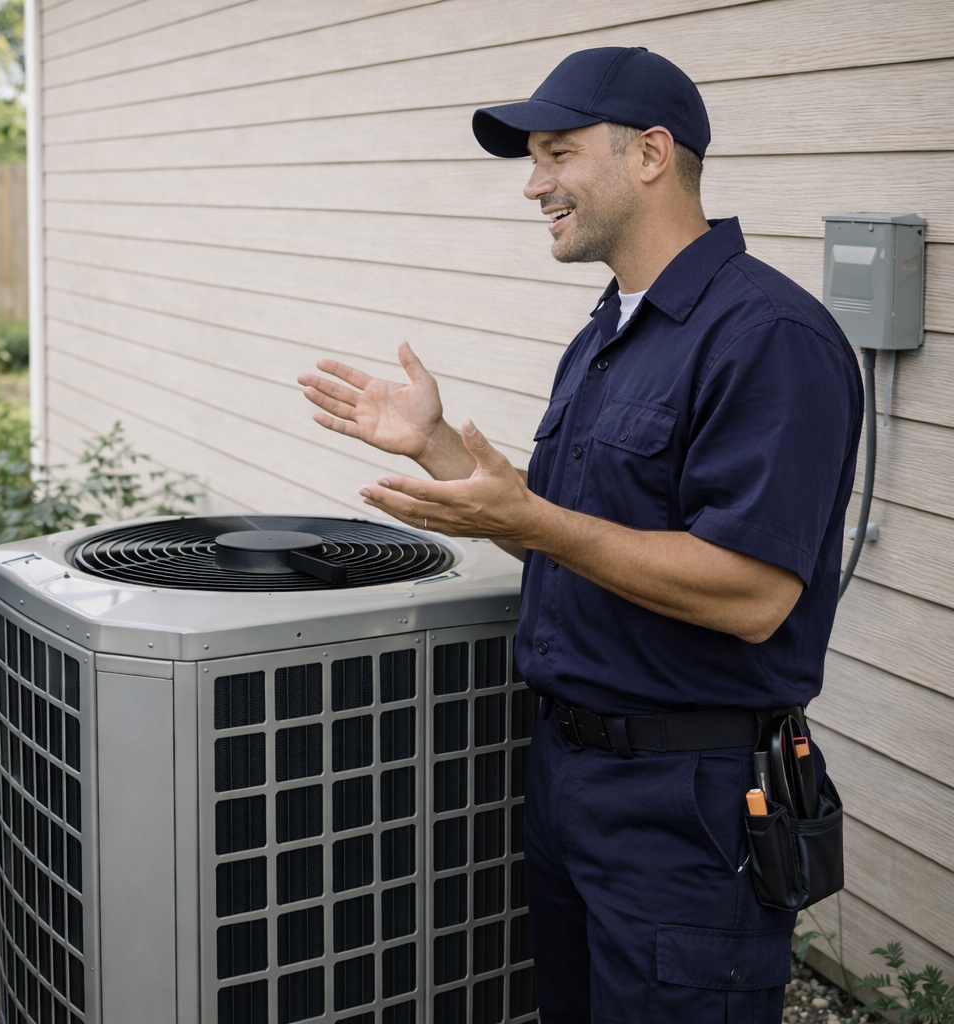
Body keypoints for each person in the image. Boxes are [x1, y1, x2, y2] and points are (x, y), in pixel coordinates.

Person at [299, 47, 862, 1023]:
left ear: (650, 153)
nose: (534, 184)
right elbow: (565, 537)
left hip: (686, 803)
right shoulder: (609, 332)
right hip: (571, 778)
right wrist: (437, 446)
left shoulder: (770, 337)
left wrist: (533, 516)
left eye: (557, 154)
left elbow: (753, 593)